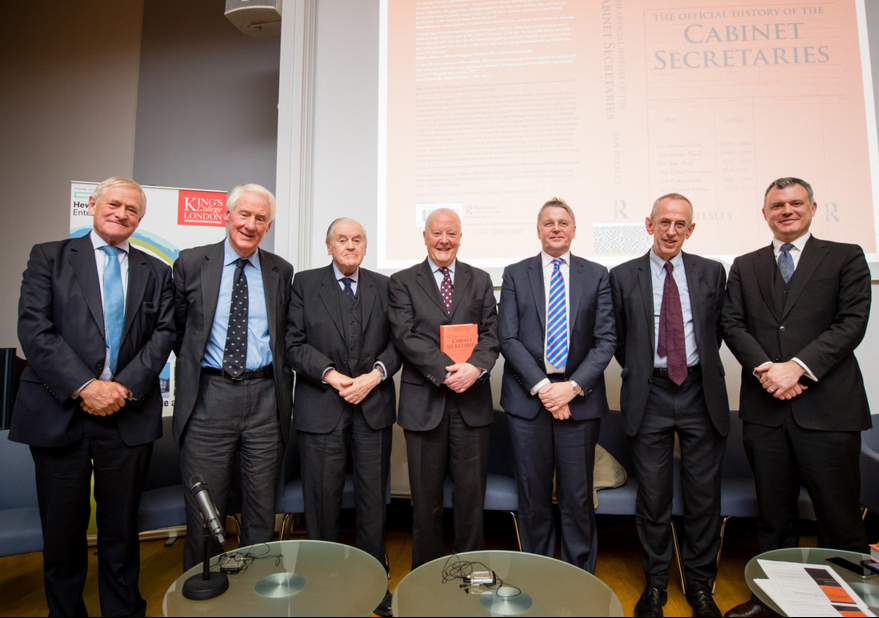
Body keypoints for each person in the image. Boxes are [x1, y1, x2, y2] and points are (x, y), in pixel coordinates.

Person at [10, 177, 175, 616]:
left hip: (127, 413)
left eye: (132, 210)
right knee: (62, 534)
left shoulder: (156, 271)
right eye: (114, 204)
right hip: (58, 411)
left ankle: (122, 611)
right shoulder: (50, 257)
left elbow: (164, 335)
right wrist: (86, 387)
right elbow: (34, 330)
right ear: (92, 204)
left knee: (122, 531)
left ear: (140, 219)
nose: (122, 214)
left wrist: (121, 388)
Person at [722, 177, 871, 618]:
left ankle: (849, 604)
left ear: (812, 207)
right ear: (764, 213)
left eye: (795, 203)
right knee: (774, 518)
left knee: (839, 518)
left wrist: (797, 368)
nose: (786, 210)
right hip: (766, 412)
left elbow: (852, 322)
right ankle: (774, 601)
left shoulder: (845, 256)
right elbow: (732, 324)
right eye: (777, 205)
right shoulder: (745, 265)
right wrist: (769, 370)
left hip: (829, 411)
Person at [609, 193, 728, 617]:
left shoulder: (712, 272)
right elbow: (620, 340)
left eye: (681, 224)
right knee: (654, 498)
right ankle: (656, 586)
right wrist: (649, 370)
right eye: (664, 222)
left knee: (702, 498)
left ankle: (700, 586)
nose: (672, 231)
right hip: (651, 393)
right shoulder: (622, 275)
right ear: (649, 224)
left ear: (691, 229)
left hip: (700, 392)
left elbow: (717, 331)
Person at [172, 183, 294, 570]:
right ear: (227, 216)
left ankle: (255, 591)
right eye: (244, 214)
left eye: (261, 218)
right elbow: (177, 331)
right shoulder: (192, 262)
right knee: (206, 509)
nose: (250, 224)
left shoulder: (280, 270)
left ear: (268, 226)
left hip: (265, 398)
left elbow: (285, 334)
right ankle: (205, 592)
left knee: (261, 510)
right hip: (209, 395)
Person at [286, 217, 400, 616]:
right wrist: (334, 377)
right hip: (322, 408)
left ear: (365, 247)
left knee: (373, 503)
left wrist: (373, 377)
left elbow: (397, 344)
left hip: (373, 408)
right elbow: (293, 345)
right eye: (342, 239)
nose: (350, 246)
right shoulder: (303, 283)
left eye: (357, 240)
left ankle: (373, 585)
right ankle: (323, 585)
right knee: (321, 503)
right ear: (328, 245)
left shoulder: (386, 286)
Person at [497, 198, 615, 574]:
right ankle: (540, 573)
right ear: (538, 230)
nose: (556, 228)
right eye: (548, 222)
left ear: (574, 229)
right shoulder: (517, 273)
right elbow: (509, 339)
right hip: (529, 400)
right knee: (532, 497)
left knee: (578, 496)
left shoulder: (596, 274)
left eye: (563, 222)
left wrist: (573, 387)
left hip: (579, 402)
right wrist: (546, 388)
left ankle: (579, 575)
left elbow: (606, 341)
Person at [388, 207, 499, 569]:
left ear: (460, 237)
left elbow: (492, 332)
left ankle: (471, 573)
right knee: (426, 500)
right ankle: (426, 575)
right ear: (425, 236)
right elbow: (405, 336)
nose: (444, 240)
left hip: (472, 403)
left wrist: (476, 367)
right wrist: (448, 370)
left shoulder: (480, 279)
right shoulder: (403, 281)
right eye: (437, 233)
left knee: (470, 499)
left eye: (451, 233)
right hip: (426, 403)